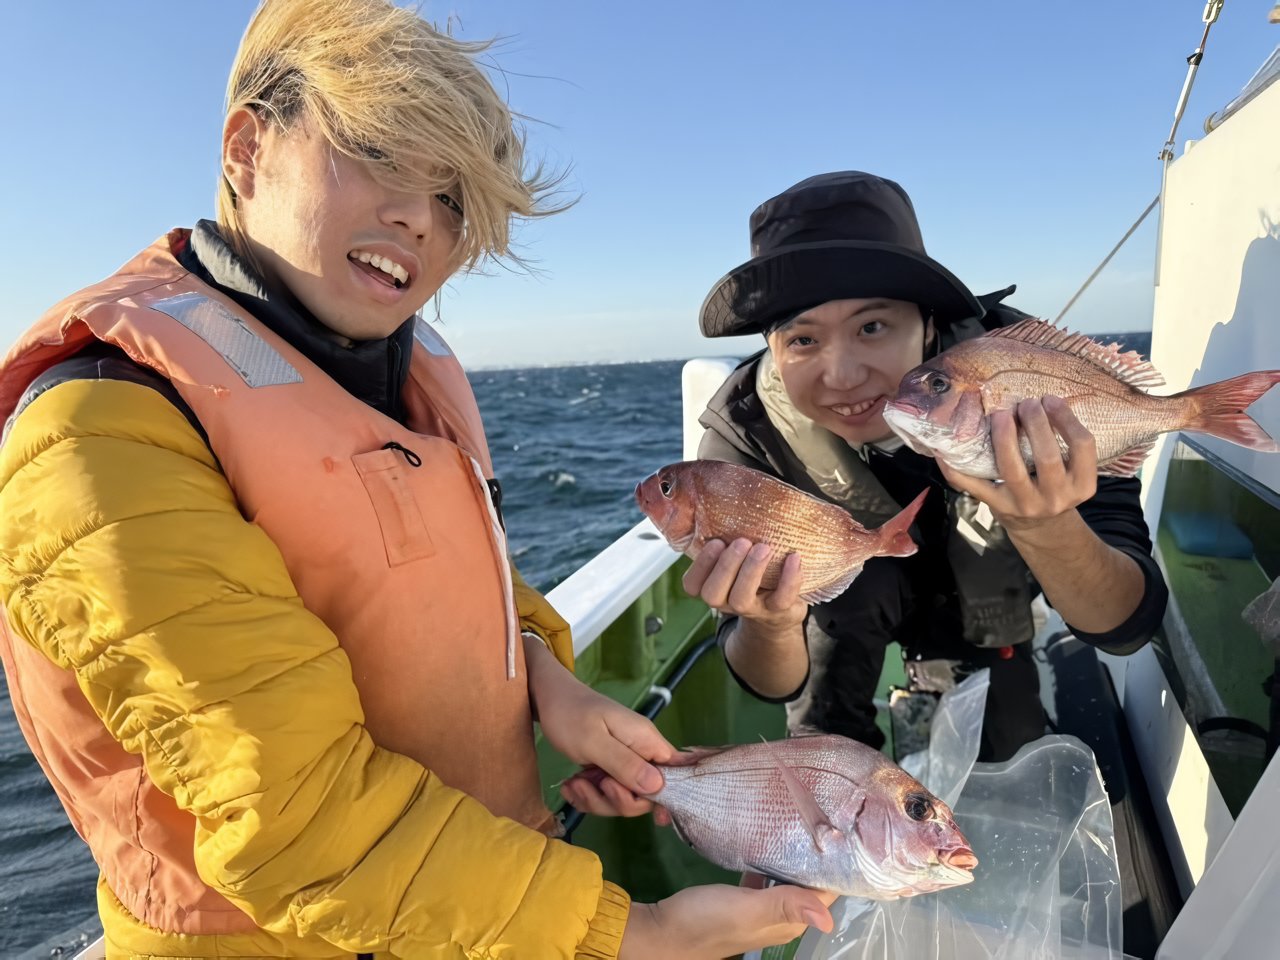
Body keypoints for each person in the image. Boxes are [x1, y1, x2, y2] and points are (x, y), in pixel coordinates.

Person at [0, 3, 835, 957]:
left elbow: (435, 573)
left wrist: (550, 682)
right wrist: (635, 933)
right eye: (381, 152)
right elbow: (297, 816)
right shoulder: (103, 426)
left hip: (485, 912)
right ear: (246, 148)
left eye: (454, 199)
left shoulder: (388, 371)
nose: (419, 219)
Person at [687, 171, 1169, 762]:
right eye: (802, 341)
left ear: (930, 323)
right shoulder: (748, 432)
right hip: (842, 620)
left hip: (993, 607)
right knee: (822, 762)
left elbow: (1126, 626)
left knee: (1010, 756)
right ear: (772, 347)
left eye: (872, 326)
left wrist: (1048, 524)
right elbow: (770, 681)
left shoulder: (1031, 375)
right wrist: (767, 624)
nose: (842, 376)